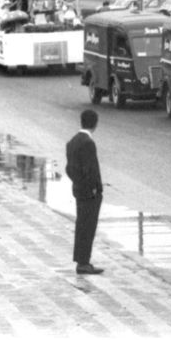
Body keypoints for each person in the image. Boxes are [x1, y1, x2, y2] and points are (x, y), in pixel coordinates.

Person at [66, 110, 105, 275]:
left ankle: (81, 260)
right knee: (88, 227)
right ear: (95, 124)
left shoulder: (72, 141)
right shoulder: (88, 143)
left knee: (81, 225)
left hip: (78, 190)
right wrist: (93, 188)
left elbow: (69, 168)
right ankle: (84, 262)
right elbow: (90, 170)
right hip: (89, 193)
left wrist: (77, 182)